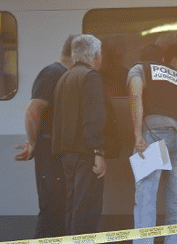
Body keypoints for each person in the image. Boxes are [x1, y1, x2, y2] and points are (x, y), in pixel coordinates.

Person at [128, 43, 177, 244]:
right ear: (163, 60)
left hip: (154, 134)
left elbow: (136, 95)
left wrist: (138, 134)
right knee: (176, 201)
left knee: (146, 197)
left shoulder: (139, 69)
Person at [14, 35, 75, 238]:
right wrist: (34, 143)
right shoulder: (52, 73)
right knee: (52, 209)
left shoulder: (63, 74)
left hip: (54, 149)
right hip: (49, 151)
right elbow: (33, 110)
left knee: (59, 207)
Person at [51, 34, 107, 235]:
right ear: (95, 55)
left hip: (68, 153)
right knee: (87, 209)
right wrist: (98, 151)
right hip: (85, 153)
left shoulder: (65, 77)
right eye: (100, 54)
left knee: (73, 207)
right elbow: (93, 118)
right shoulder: (90, 77)